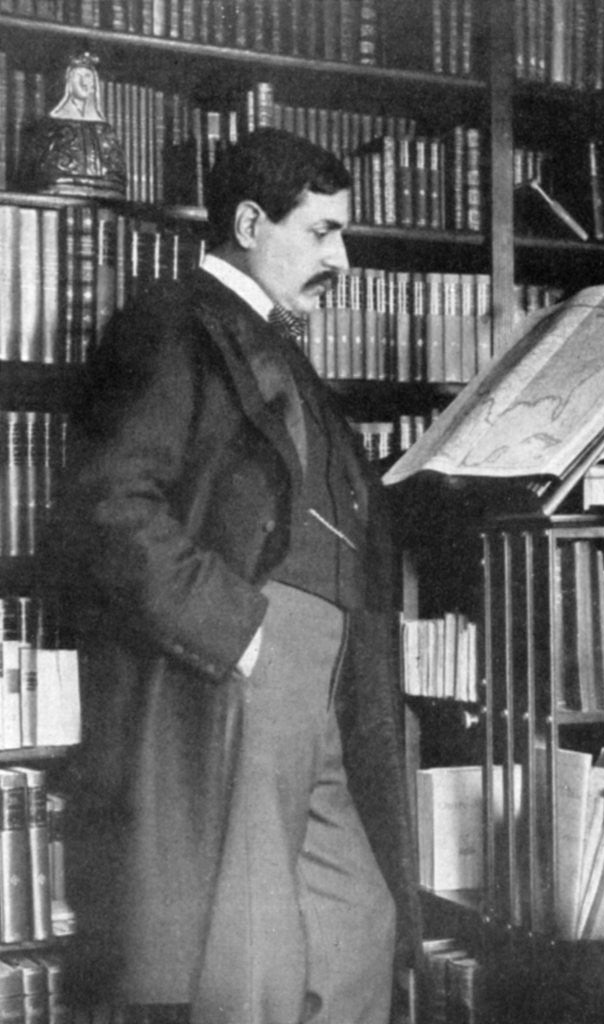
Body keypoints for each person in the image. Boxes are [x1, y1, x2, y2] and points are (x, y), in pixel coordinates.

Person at [47, 128, 420, 1024]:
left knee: (357, 926)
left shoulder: (276, 339)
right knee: (252, 965)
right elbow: (109, 505)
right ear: (251, 223)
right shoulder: (167, 324)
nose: (341, 258)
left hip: (335, 676)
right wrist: (241, 632)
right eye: (321, 232)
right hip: (247, 662)